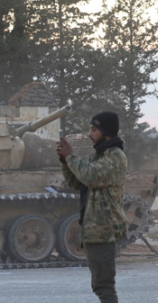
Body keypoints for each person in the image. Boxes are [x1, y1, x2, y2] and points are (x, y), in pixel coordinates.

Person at [56, 112, 127, 303]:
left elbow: (90, 177)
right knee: (100, 286)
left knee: (104, 287)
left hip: (104, 230)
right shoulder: (99, 155)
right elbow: (77, 182)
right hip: (94, 229)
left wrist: (71, 156)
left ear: (106, 132)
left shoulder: (115, 157)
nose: (89, 134)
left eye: (94, 130)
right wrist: (65, 161)